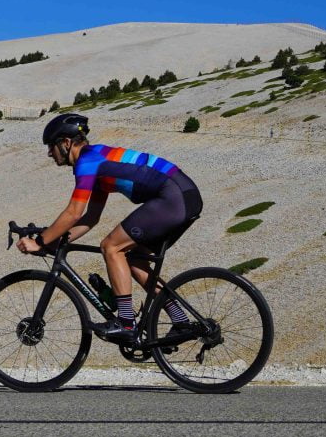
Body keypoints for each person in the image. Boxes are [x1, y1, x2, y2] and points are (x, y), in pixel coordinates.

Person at [16, 113, 203, 343]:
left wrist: (40, 242)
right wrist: (58, 241)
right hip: (183, 195)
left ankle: (126, 322)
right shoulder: (97, 161)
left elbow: (73, 212)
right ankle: (181, 321)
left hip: (173, 197)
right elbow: (90, 217)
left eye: (51, 146)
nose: (49, 153)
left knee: (111, 247)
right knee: (134, 260)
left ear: (66, 143)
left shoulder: (88, 161)